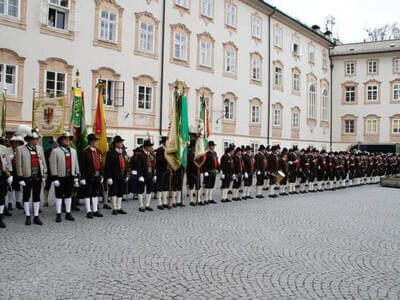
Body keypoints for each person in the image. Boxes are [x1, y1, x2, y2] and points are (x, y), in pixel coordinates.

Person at [15, 128, 47, 225]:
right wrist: (20, 177)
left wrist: (44, 173)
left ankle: (36, 216)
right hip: (26, 176)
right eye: (34, 139)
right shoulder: (20, 149)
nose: (36, 141)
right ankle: (28, 216)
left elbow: (43, 162)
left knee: (37, 196)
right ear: (29, 139)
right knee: (26, 196)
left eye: (37, 139)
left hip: (38, 175)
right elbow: (18, 164)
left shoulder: (40, 148)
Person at [49, 131, 80, 223]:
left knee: (68, 195)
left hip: (70, 176)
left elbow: (76, 163)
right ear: (60, 140)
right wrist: (54, 177)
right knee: (58, 195)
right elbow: (53, 165)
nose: (67, 140)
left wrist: (76, 175)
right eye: (65, 139)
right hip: (60, 176)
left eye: (68, 139)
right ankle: (58, 213)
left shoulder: (73, 151)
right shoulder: (55, 151)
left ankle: (68, 212)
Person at [80, 133, 104, 219]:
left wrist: (101, 175)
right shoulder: (85, 152)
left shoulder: (98, 151)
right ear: (90, 142)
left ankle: (95, 210)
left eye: (96, 141)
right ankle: (88, 211)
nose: (96, 142)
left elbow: (100, 164)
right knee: (87, 193)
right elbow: (82, 166)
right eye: (94, 141)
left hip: (97, 176)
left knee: (95, 193)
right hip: (88, 176)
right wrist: (82, 178)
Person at [104, 135, 129, 215]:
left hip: (122, 175)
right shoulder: (110, 153)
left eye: (122, 142)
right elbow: (107, 166)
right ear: (115, 143)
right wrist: (108, 177)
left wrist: (127, 174)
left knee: (120, 191)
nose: (121, 143)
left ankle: (119, 207)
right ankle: (114, 208)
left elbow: (126, 164)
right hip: (114, 175)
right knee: (114, 191)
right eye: (120, 142)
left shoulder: (123, 152)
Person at [136, 139, 155, 212]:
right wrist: (140, 176)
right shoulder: (140, 155)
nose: (151, 148)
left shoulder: (151, 155)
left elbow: (153, 165)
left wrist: (154, 174)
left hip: (150, 174)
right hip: (143, 175)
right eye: (150, 146)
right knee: (141, 190)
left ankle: (147, 205)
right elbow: (139, 166)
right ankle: (141, 206)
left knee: (149, 190)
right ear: (146, 147)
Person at [7, 134, 25, 211]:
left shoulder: (22, 150)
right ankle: (10, 203)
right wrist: (9, 158)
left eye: (18, 142)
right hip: (11, 171)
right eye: (14, 142)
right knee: (10, 188)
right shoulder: (8, 150)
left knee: (18, 188)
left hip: (19, 171)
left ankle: (18, 202)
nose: (16, 144)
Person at [0, 142, 13, 228]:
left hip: (2, 176)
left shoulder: (3, 148)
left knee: (1, 197)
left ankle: (0, 217)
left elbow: (8, 163)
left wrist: (10, 175)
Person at [155, 136, 169, 209]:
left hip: (167, 170)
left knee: (166, 187)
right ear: (164, 143)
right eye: (167, 142)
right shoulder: (160, 150)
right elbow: (160, 160)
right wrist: (167, 157)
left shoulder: (169, 150)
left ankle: (165, 202)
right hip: (161, 170)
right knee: (160, 187)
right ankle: (159, 203)